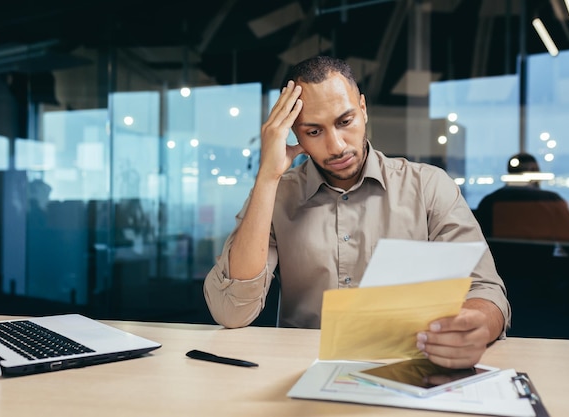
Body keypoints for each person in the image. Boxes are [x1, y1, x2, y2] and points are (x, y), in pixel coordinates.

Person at [203, 56, 510, 369]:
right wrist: (267, 177)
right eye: (313, 132)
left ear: (363, 109)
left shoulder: (429, 186)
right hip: (301, 369)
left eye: (344, 122)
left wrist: (478, 325)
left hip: (410, 366)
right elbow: (232, 311)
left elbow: (484, 288)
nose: (335, 146)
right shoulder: (278, 196)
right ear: (293, 134)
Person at [475, 152, 569, 240]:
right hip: (544, 261)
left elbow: (479, 239)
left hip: (499, 262)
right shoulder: (551, 200)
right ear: (534, 172)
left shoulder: (489, 201)